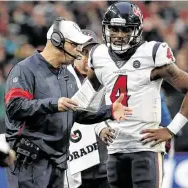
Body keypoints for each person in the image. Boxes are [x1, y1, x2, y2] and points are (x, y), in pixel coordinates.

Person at [76, 2, 188, 188]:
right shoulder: (99, 55)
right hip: (115, 149)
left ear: (136, 30)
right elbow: (86, 100)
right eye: (114, 28)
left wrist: (171, 129)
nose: (119, 35)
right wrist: (99, 127)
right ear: (106, 28)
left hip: (145, 149)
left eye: (125, 29)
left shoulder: (151, 54)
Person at [4, 17, 132, 188]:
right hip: (29, 163)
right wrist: (54, 104)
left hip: (58, 163)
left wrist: (110, 111)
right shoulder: (25, 69)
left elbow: (76, 112)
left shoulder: (66, 76)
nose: (79, 51)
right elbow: (14, 106)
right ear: (57, 41)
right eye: (75, 45)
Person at [69, 30, 110, 188]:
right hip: (74, 168)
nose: (88, 58)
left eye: (92, 52)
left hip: (104, 166)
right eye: (83, 52)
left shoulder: (107, 79)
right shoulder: (63, 81)